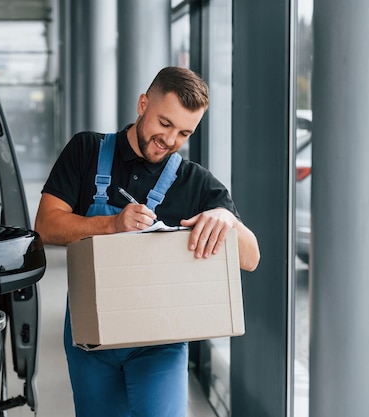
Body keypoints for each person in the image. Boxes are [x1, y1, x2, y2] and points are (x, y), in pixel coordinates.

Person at [34, 66, 260, 417]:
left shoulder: (194, 182)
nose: (170, 141)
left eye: (184, 132)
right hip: (91, 333)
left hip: (161, 341)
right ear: (143, 104)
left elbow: (251, 258)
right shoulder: (85, 151)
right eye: (165, 124)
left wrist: (227, 220)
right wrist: (111, 224)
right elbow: (46, 225)